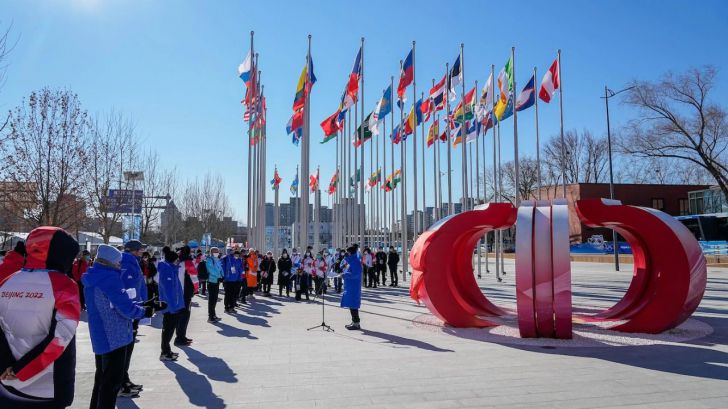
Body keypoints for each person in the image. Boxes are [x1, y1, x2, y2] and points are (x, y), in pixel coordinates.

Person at [0, 227, 80, 409]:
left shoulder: (7, 281)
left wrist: (5, 365)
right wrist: (20, 370)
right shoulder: (64, 285)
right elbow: (59, 339)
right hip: (48, 385)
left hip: (5, 381)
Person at [84, 244, 163, 409]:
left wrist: (143, 304)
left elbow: (115, 303)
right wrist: (148, 310)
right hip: (115, 336)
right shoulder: (109, 279)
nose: (120, 265)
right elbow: (125, 308)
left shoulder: (94, 276)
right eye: (118, 262)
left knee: (101, 379)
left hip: (101, 335)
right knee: (111, 383)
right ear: (109, 262)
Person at [119, 240, 148, 397]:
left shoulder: (134, 263)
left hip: (136, 310)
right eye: (140, 249)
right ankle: (121, 383)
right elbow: (129, 289)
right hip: (130, 312)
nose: (142, 252)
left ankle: (125, 379)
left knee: (128, 349)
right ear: (134, 251)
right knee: (125, 349)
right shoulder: (127, 263)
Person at [156, 249, 184, 361]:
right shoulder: (167, 270)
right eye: (177, 258)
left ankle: (167, 350)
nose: (178, 260)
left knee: (170, 329)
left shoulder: (171, 268)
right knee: (168, 329)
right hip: (170, 306)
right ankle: (164, 352)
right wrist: (172, 307)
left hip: (173, 305)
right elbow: (168, 291)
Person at [175, 246, 196, 346]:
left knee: (180, 314)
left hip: (177, 291)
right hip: (186, 291)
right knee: (185, 314)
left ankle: (180, 336)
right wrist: (196, 288)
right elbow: (194, 277)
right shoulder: (188, 262)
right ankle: (180, 337)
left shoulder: (177, 261)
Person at [340, 245, 363, 330]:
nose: (346, 254)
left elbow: (355, 275)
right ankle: (354, 321)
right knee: (351, 304)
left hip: (354, 286)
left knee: (353, 305)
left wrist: (344, 275)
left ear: (350, 253)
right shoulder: (350, 261)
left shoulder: (355, 262)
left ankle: (356, 323)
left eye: (347, 252)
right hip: (350, 285)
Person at [204, 247, 224, 322]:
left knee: (215, 299)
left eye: (217, 252)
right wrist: (219, 276)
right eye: (215, 252)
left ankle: (213, 315)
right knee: (212, 299)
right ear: (211, 252)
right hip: (211, 281)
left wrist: (222, 276)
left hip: (216, 281)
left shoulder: (217, 260)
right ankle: (210, 316)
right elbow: (211, 270)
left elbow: (220, 269)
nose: (217, 253)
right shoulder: (209, 259)